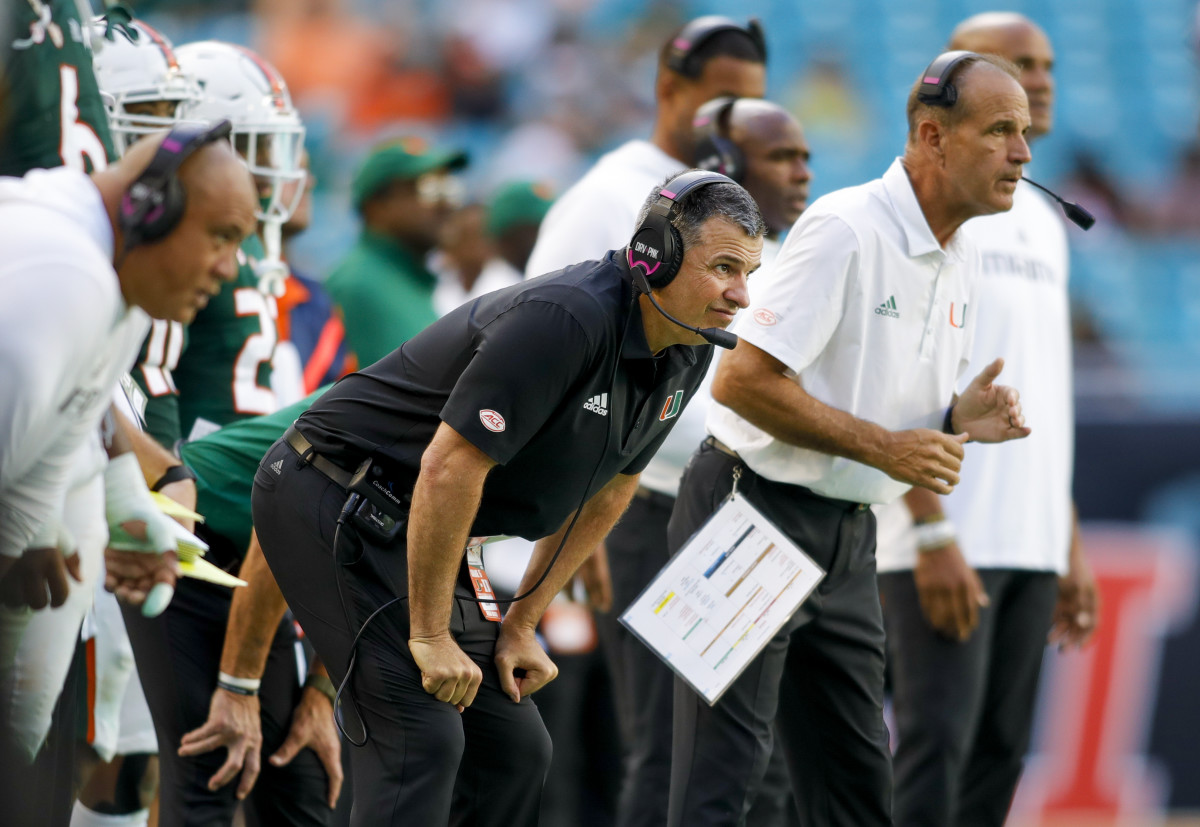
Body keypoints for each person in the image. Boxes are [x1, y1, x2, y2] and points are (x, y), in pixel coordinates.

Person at [252, 171, 765, 825]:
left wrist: (521, 625)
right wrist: (431, 634)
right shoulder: (566, 318)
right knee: (421, 738)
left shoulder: (689, 343)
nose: (741, 295)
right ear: (653, 255)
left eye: (748, 272)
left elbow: (612, 487)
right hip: (333, 493)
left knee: (515, 750)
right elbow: (449, 466)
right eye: (724, 268)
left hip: (415, 520)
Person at [667, 53, 1036, 827]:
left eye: (1024, 132)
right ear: (933, 137)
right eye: (1000, 130)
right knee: (720, 781)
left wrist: (953, 420)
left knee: (857, 791)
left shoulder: (961, 252)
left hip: (847, 531)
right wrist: (889, 449)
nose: (1023, 153)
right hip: (746, 508)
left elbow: (872, 401)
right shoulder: (847, 226)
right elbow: (741, 382)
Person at [873, 16, 1099, 827]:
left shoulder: (1041, 218)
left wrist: (1065, 543)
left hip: (1029, 540)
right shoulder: (930, 207)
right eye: (1017, 64)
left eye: (1047, 64)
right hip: (942, 535)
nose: (1038, 80)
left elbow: (1042, 396)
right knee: (933, 747)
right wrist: (928, 530)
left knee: (998, 755)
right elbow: (891, 380)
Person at [0, 124, 258, 818]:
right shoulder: (65, 274)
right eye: (221, 236)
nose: (229, 268)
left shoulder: (114, 277)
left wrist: (117, 500)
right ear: (151, 210)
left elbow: (82, 411)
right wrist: (20, 541)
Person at [599, 94, 814, 827]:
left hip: (756, 519)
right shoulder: (673, 270)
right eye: (782, 156)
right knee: (668, 746)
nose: (802, 173)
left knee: (760, 756)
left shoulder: (794, 264)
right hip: (657, 509)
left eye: (805, 156)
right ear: (724, 166)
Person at [524, 14, 767, 279]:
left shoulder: (739, 204)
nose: (740, 119)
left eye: (752, 105)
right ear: (669, 89)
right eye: (725, 102)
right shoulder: (604, 201)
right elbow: (544, 306)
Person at [325, 137, 468, 366]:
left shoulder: (410, 281)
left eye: (448, 188)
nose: (447, 204)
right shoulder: (358, 286)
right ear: (378, 206)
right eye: (430, 189)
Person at [432, 181, 554, 316]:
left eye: (480, 236)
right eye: (465, 236)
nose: (476, 247)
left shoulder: (509, 285)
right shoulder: (437, 281)